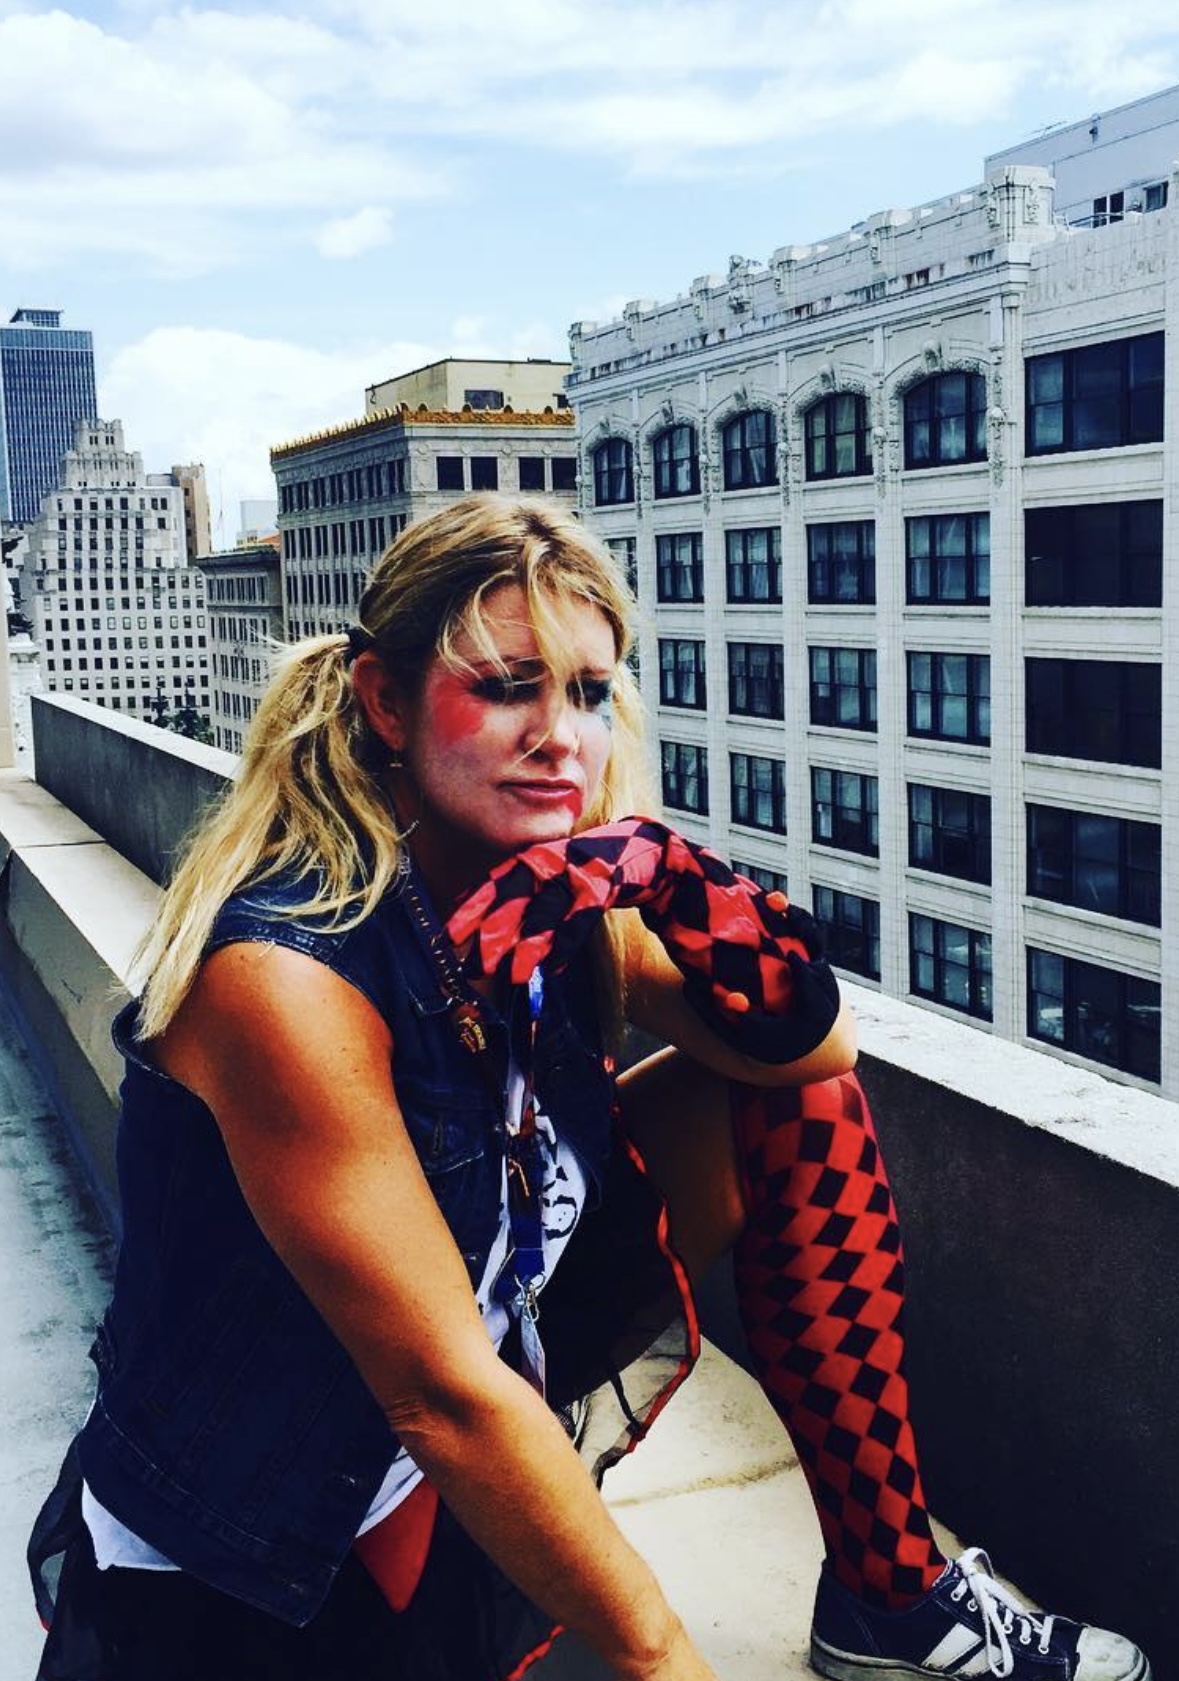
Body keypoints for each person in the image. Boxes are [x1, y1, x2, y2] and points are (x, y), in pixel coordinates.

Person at [29, 494, 1148, 1681]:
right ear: (385, 701)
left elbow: (817, 1054)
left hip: (445, 1429)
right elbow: (441, 1398)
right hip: (257, 1558)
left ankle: (893, 1597)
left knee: (793, 1109)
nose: (560, 734)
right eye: (509, 684)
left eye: (589, 692)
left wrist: (661, 870)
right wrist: (664, 1655)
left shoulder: (555, 891)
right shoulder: (289, 976)